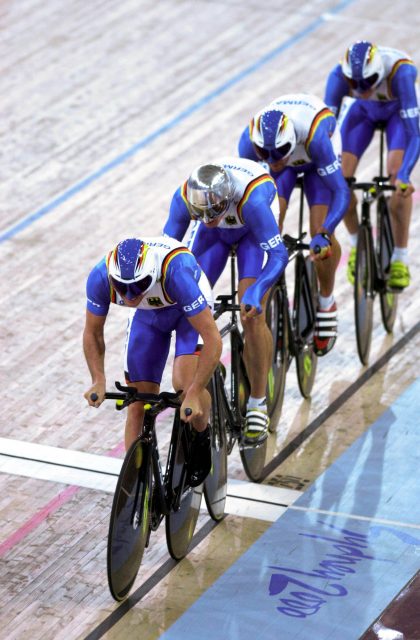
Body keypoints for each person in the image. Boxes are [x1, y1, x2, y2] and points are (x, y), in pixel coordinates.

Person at [163, 158, 288, 444]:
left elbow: (278, 255)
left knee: (251, 315)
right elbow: (167, 252)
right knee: (188, 303)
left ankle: (258, 402)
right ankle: (205, 366)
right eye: (201, 215)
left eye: (213, 212)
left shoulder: (251, 201)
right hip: (214, 239)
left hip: (252, 236)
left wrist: (256, 292)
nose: (208, 219)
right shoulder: (185, 199)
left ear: (225, 199)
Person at [83, 235, 222, 487]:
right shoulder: (100, 278)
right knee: (138, 401)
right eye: (123, 288)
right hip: (148, 318)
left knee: (184, 383)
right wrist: (97, 379)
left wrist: (195, 391)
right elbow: (93, 332)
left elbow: (213, 339)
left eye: (138, 286)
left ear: (152, 274)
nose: (130, 295)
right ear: (113, 279)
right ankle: (137, 488)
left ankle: (202, 436)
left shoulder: (176, 274)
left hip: (187, 312)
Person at [238, 93, 350, 357]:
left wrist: (325, 232)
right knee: (269, 222)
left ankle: (326, 303)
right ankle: (270, 288)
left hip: (316, 159)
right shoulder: (249, 143)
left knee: (319, 229)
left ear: (291, 141)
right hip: (286, 171)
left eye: (279, 152)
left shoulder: (316, 138)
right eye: (266, 154)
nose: (274, 158)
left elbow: (341, 192)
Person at [324, 41, 420, 289]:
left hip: (398, 113)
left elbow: (415, 134)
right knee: (339, 184)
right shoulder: (338, 77)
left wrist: (405, 176)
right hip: (363, 114)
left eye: (368, 83)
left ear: (380, 73)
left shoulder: (402, 73)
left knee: (396, 179)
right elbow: (325, 133)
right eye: (355, 86)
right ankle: (359, 245)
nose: (362, 89)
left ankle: (399, 257)